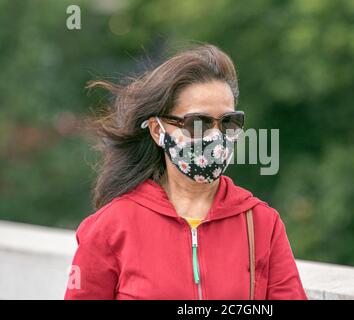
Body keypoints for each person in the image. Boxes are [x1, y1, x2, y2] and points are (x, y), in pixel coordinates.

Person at [64, 43, 308, 300]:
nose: (216, 136)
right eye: (198, 123)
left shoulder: (261, 222)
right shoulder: (111, 227)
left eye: (228, 122)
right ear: (158, 131)